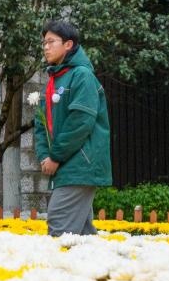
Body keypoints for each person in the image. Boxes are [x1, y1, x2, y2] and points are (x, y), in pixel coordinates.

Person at [33, 21, 112, 236]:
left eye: (51, 42)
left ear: (68, 45)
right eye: (44, 43)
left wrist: (56, 156)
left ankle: (58, 270)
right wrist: (43, 156)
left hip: (80, 164)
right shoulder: (54, 80)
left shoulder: (82, 76)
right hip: (68, 164)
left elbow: (80, 121)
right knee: (83, 234)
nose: (46, 47)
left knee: (59, 225)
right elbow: (41, 124)